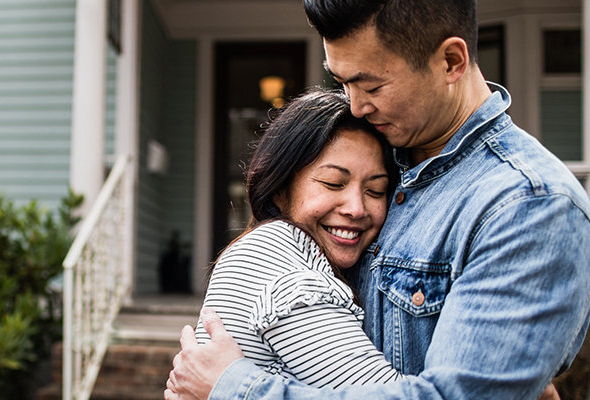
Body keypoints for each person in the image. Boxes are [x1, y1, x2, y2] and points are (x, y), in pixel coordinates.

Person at [166, 0, 590, 399]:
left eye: (370, 85)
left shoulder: (527, 204)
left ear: (450, 62)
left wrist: (235, 387)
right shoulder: (379, 151)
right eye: (341, 82)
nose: (355, 105)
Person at [195, 87, 406, 388]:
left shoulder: (279, 248)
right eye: (334, 183)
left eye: (375, 190)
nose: (357, 209)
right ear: (280, 189)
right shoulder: (277, 261)